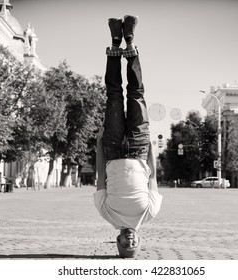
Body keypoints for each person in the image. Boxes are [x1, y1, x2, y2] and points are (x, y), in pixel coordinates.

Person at [94, 15, 163, 258]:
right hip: (139, 147)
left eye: (125, 244)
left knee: (113, 95)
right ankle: (131, 45)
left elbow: (101, 175)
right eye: (133, 244)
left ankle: (115, 44)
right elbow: (153, 175)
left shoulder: (107, 214)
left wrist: (98, 146)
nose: (130, 240)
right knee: (136, 94)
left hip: (112, 148)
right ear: (138, 240)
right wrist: (150, 145)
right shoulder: (149, 213)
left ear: (118, 240)